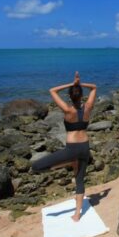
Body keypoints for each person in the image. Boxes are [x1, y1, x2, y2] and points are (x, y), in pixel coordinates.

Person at [31, 71, 96, 222]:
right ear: (81, 96)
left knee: (36, 166)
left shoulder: (67, 110)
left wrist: (71, 84)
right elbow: (94, 88)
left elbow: (52, 91)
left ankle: (67, 163)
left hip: (72, 149)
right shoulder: (88, 107)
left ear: (70, 96)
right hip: (85, 147)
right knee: (79, 180)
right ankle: (77, 214)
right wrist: (79, 84)